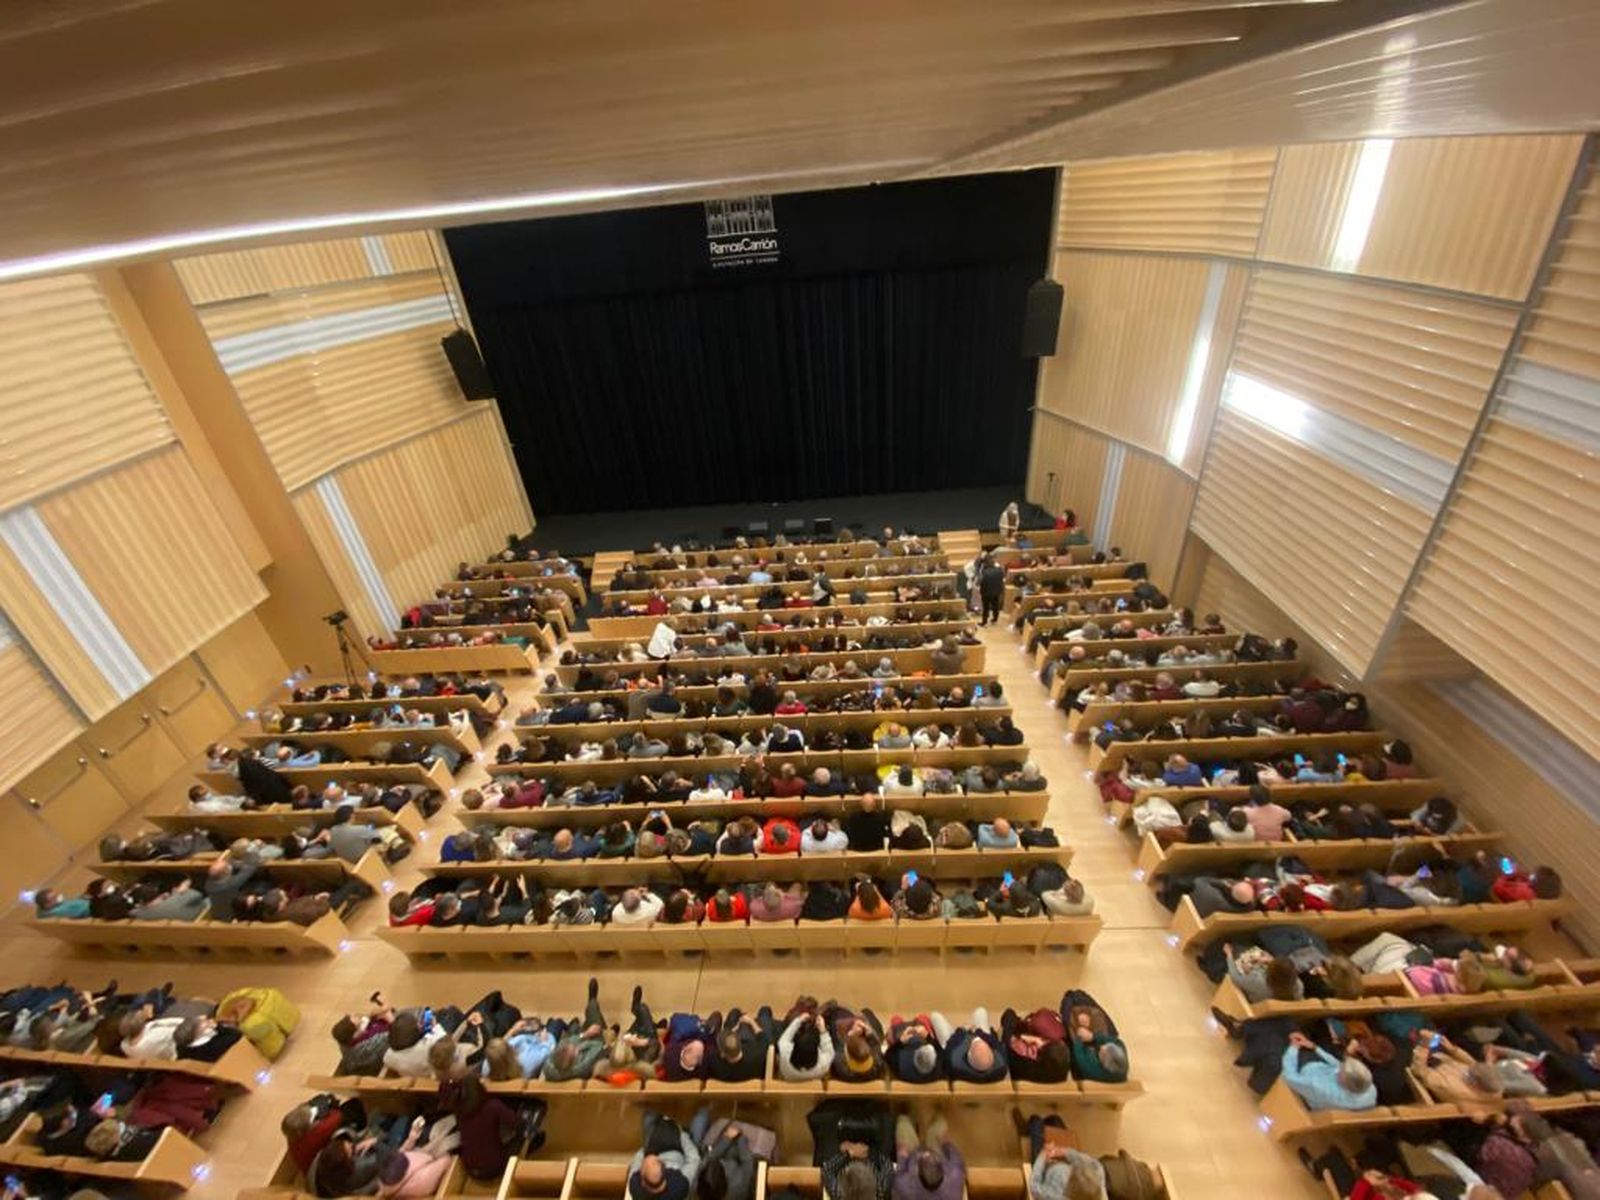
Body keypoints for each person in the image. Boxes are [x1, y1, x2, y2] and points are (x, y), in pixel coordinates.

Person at [1280, 1032, 1377, 1111]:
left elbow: (1289, 1077)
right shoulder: (1370, 1090)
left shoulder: (1319, 1087)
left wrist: (1293, 1048)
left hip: (1303, 1074)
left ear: (1342, 1081)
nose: (1339, 1067)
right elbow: (1339, 1065)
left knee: (1283, 1032)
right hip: (1318, 1067)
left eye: (1340, 1071)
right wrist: (1315, 1048)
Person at [1022, 1114, 1105, 1200]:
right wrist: (1064, 1152)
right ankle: (1033, 1129)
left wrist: (1043, 1156)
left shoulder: (1057, 1198)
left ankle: (1026, 1130)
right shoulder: (1097, 1182)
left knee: (1035, 1121)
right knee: (1055, 1119)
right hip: (1062, 1159)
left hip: (1044, 1169)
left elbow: (1035, 1187)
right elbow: (1096, 1164)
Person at [628, 1110, 702, 1200]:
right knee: (701, 1118)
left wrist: (646, 1148)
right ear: (664, 1166)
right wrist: (681, 1134)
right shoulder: (679, 1187)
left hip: (653, 1148)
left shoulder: (636, 1187)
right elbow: (694, 1159)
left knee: (648, 1117)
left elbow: (637, 1161)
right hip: (680, 1151)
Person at [892, 1115, 964, 1200]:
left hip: (911, 1158)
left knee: (903, 1124)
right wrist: (946, 1143)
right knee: (940, 1124)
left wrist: (902, 1155)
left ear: (919, 1174)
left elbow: (901, 1170)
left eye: (924, 1159)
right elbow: (956, 1158)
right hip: (936, 1153)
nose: (926, 1152)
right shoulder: (956, 1176)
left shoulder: (904, 1186)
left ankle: (907, 1115)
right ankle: (936, 1114)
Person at [977, 556, 1006, 627]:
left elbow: (978, 582)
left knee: (986, 608)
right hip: (997, 591)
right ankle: (995, 619)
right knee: (996, 606)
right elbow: (1002, 578)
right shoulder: (1000, 570)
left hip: (986, 593)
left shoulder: (983, 572)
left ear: (985, 564)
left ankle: (984, 622)